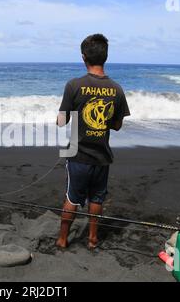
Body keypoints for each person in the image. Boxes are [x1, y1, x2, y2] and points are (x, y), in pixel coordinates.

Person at [56, 34, 130, 250]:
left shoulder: (74, 85)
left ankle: (62, 239)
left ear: (83, 57)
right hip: (102, 156)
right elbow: (116, 126)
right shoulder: (116, 89)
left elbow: (62, 121)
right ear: (105, 57)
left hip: (77, 154)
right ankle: (92, 239)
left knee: (72, 197)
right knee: (97, 199)